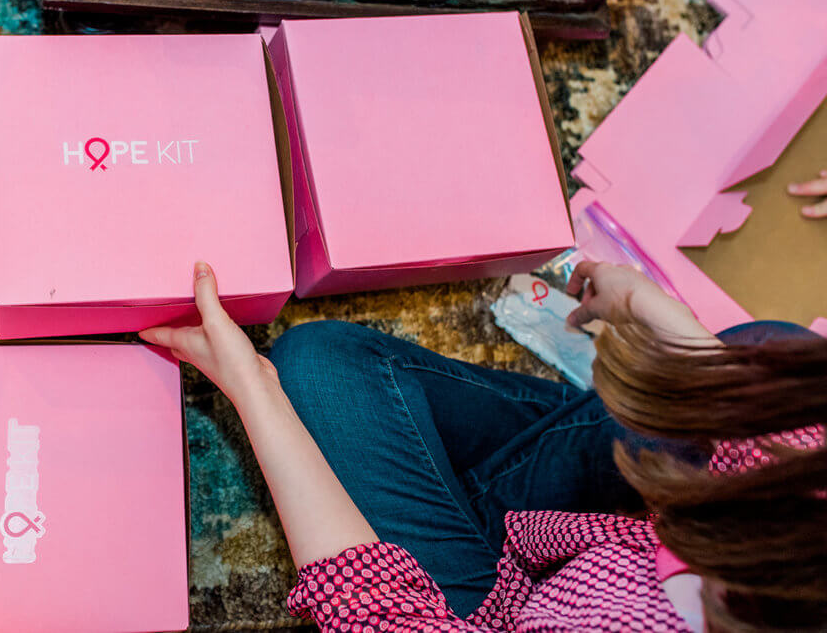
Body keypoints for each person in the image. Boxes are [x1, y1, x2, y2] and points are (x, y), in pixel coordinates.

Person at [141, 261, 826, 632]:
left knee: (315, 366)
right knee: (769, 348)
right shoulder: (793, 496)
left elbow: (373, 606)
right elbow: (769, 433)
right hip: (574, 540)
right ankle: (465, 495)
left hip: (475, 615)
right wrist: (649, 308)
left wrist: (253, 389)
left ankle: (457, 501)